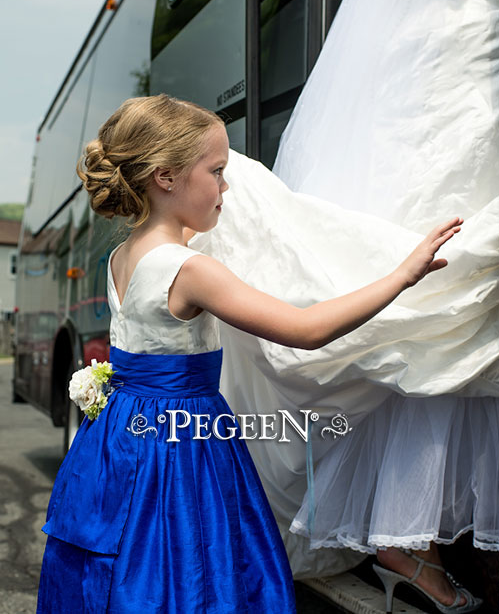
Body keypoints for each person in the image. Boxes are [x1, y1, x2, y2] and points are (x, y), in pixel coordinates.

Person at [36, 94, 463, 613]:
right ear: (166, 178)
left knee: (126, 553)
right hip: (182, 439)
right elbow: (306, 330)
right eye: (216, 171)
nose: (226, 186)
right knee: (194, 560)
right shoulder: (190, 270)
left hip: (118, 433)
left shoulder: (123, 254)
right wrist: (402, 275)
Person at [271, 0, 499, 611]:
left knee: (440, 309)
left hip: (441, 71)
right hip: (461, 63)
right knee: (449, 301)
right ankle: (411, 539)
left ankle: (411, 541)